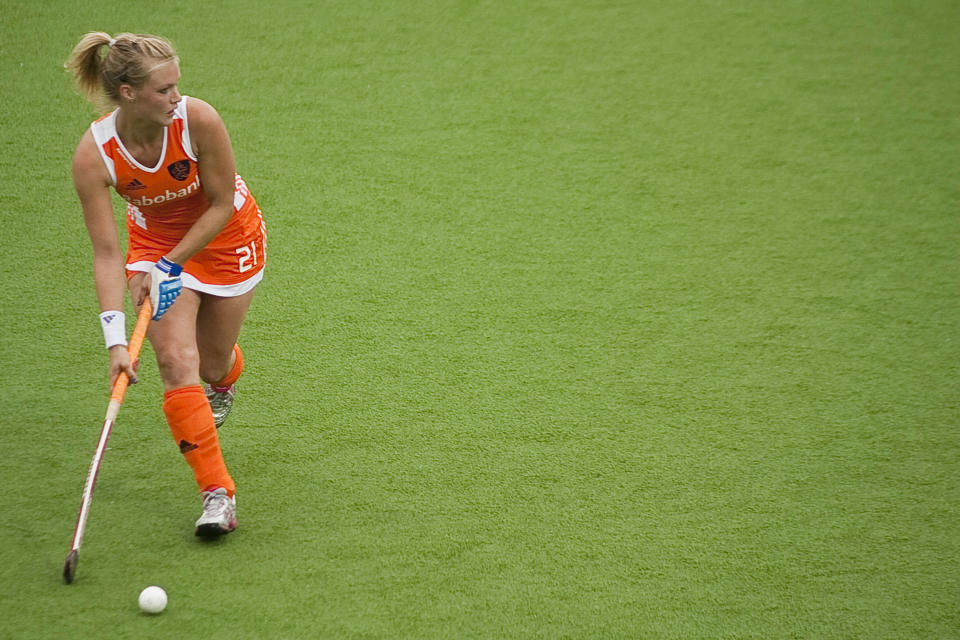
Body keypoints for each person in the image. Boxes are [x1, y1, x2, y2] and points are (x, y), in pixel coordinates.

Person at [66, 32, 267, 537]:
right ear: (129, 92)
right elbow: (108, 253)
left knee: (213, 360)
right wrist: (115, 339)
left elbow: (221, 203)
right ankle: (217, 495)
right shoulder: (96, 156)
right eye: (164, 90)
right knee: (178, 362)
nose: (176, 98)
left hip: (224, 237)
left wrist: (172, 265)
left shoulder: (198, 119)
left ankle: (224, 379)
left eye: (177, 86)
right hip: (153, 245)